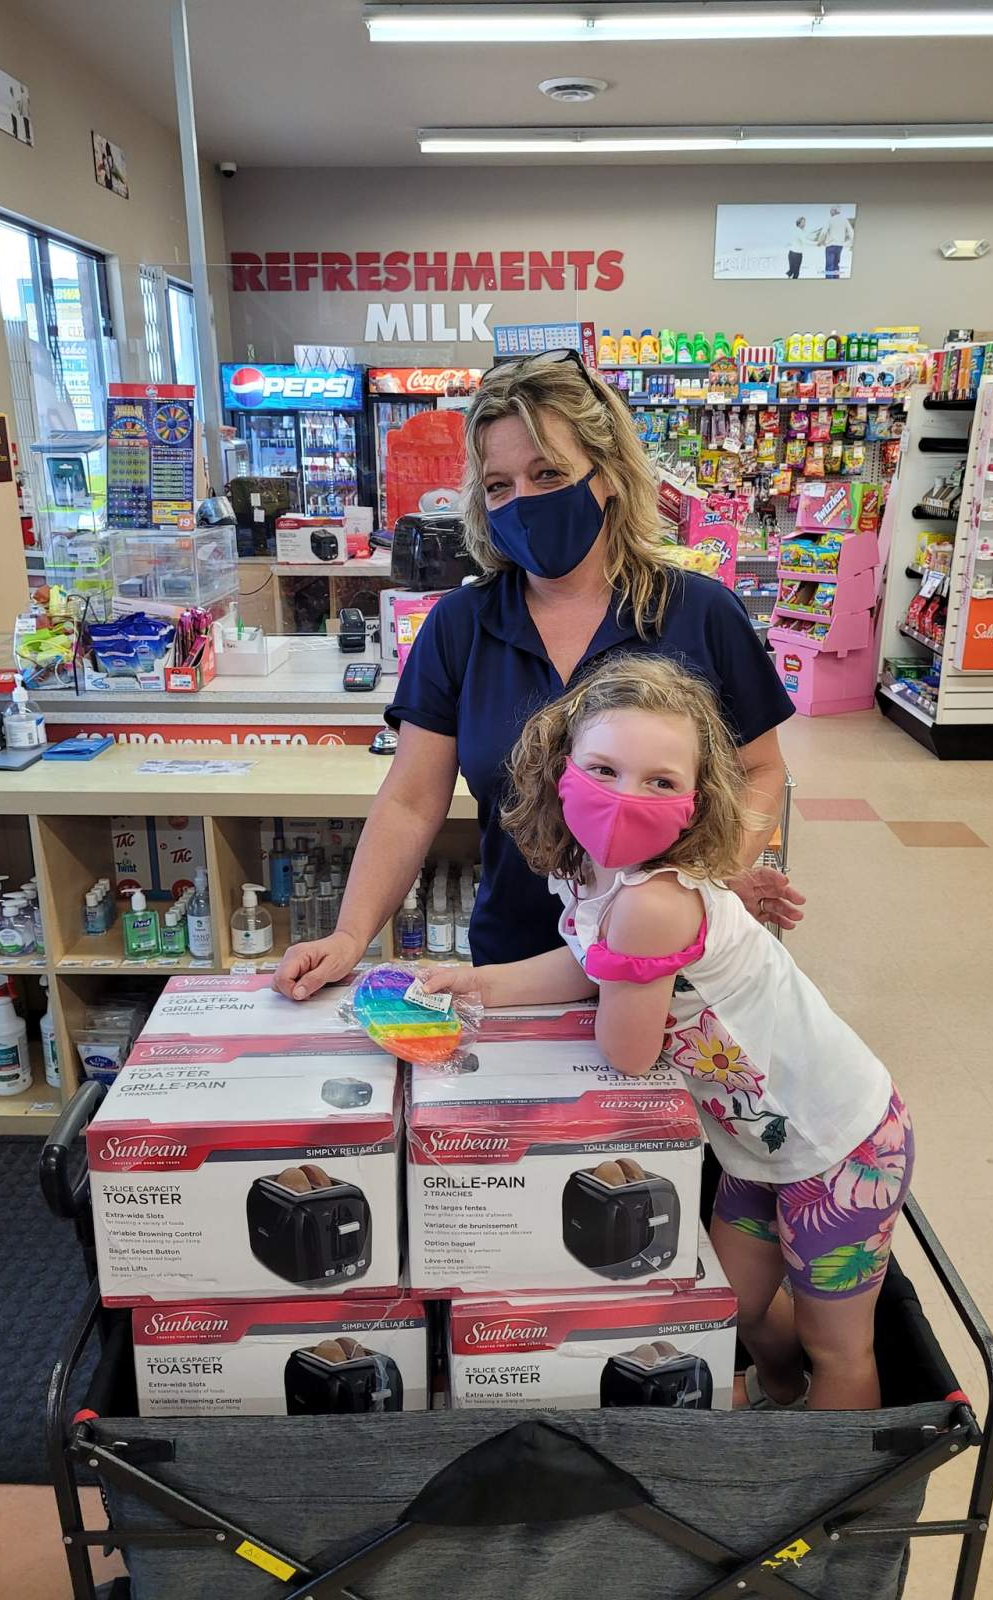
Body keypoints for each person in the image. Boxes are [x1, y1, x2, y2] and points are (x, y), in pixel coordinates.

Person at [424, 655, 913, 1412]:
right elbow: (593, 964)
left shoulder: (652, 902)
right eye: (605, 768)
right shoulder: (595, 872)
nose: (626, 798)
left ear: (695, 800)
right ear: (561, 768)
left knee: (838, 1345)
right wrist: (484, 983)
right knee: (738, 1308)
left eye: (660, 781)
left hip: (841, 1143)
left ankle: (812, 1501)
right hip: (758, 1145)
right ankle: (783, 1392)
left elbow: (626, 1049)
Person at [274, 347, 802, 1002]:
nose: (522, 502)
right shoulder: (460, 627)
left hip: (671, 971)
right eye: (499, 486)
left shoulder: (698, 613)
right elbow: (410, 800)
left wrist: (704, 880)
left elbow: (760, 768)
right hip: (511, 977)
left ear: (607, 475)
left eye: (548, 474)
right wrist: (350, 934)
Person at [822, 207, 854, 280]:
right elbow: (851, 233)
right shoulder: (844, 220)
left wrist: (821, 242)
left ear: (834, 211)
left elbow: (824, 232)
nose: (830, 212)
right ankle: (836, 281)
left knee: (829, 266)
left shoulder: (830, 220)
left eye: (831, 211)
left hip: (830, 246)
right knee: (836, 265)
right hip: (839, 246)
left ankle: (829, 283)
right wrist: (848, 243)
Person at [786, 215, 817, 280]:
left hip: (796, 254)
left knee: (793, 272)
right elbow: (805, 241)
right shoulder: (798, 231)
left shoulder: (803, 231)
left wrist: (817, 238)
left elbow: (810, 237)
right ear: (799, 223)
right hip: (794, 254)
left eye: (805, 222)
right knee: (794, 272)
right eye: (803, 222)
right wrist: (816, 243)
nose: (804, 224)